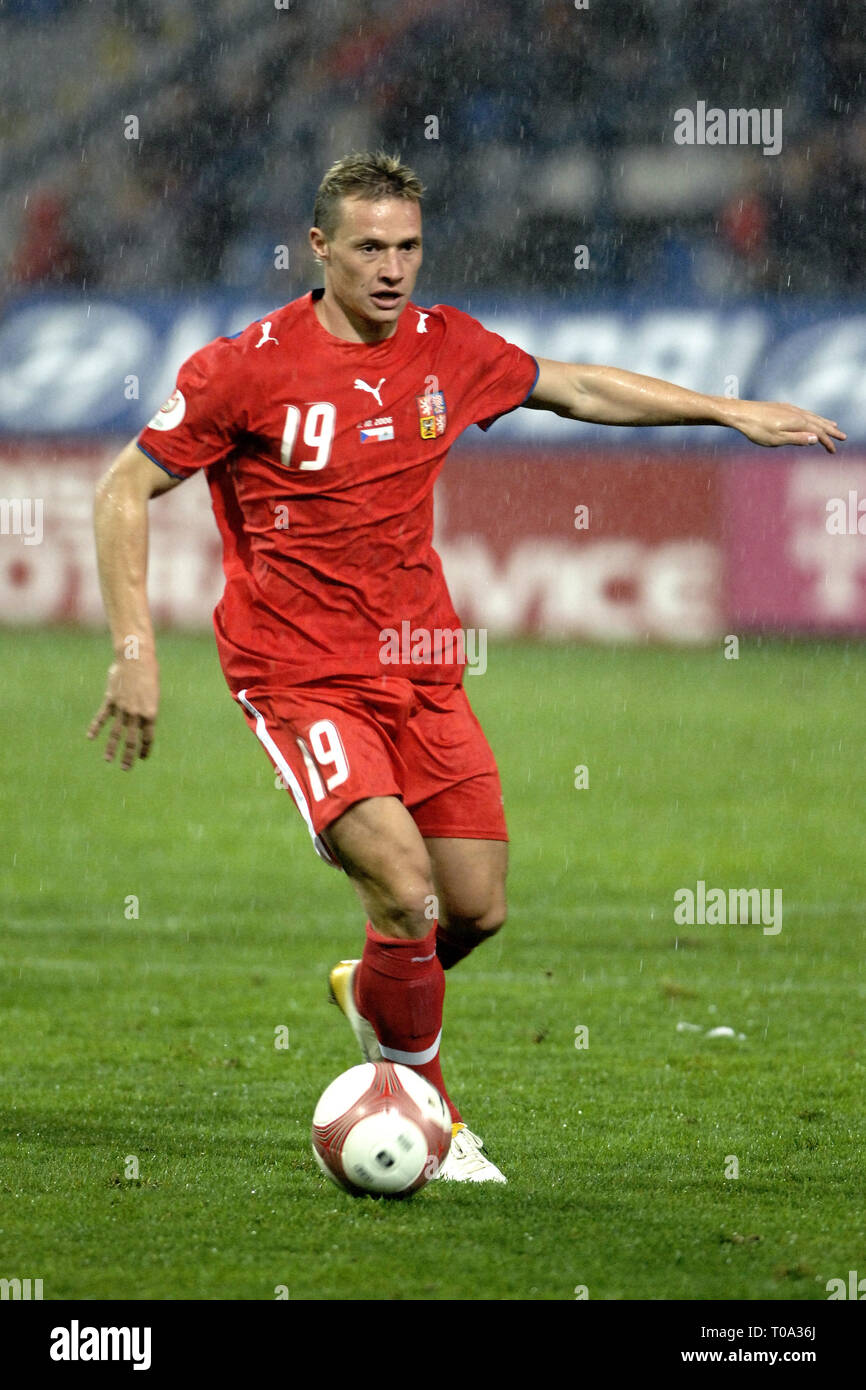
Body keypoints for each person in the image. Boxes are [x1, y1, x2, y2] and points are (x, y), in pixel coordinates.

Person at [89, 151, 845, 1183]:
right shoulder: (246, 368)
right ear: (319, 249)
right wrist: (135, 647)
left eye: (405, 245)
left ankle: (375, 992)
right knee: (404, 888)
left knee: (475, 907)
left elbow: (571, 385)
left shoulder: (445, 347)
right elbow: (123, 489)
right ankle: (430, 1119)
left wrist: (728, 410)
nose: (391, 267)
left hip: (420, 669)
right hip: (297, 675)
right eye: (368, 248)